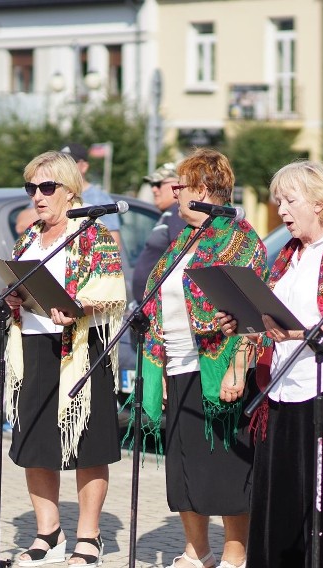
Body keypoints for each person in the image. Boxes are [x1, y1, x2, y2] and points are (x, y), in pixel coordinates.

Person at [217, 160, 323, 568]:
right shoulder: (287, 257)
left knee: (320, 504)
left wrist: (304, 335)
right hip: (279, 389)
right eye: (279, 201)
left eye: (290, 200)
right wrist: (242, 322)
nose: (283, 211)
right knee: (278, 497)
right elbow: (272, 318)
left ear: (318, 202)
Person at [134, 148, 268, 568]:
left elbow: (255, 315)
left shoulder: (241, 240)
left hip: (218, 369)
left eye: (181, 186)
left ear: (205, 190)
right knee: (184, 468)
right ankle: (198, 551)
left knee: (226, 467)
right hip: (176, 366)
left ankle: (234, 553)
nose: (174, 194)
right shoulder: (183, 241)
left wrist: (239, 366)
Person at [3, 150, 127, 567]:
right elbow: (20, 283)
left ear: (70, 189)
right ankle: (48, 533)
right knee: (33, 443)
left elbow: (112, 289)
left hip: (81, 349)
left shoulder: (94, 235)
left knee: (88, 446)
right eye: (31, 188)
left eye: (46, 187)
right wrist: (14, 296)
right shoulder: (28, 238)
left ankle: (89, 537)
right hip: (34, 347)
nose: (37, 196)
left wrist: (77, 305)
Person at [132, 162, 188, 299]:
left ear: (178, 184)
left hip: (159, 304)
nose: (154, 189)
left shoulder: (177, 213)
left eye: (159, 184)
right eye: (152, 185)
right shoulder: (169, 214)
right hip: (149, 305)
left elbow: (181, 259)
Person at [60, 142, 122, 247]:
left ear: (84, 166)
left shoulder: (101, 199)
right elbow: (22, 225)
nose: (64, 167)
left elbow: (113, 244)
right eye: (60, 162)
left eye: (70, 162)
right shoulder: (47, 192)